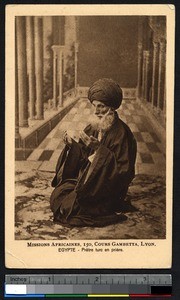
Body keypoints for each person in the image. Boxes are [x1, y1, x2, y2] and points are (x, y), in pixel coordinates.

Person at [50, 78, 137, 227]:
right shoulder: (93, 127)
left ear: (112, 108)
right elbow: (83, 156)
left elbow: (124, 172)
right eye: (94, 106)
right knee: (59, 194)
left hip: (106, 189)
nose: (96, 111)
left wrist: (100, 150)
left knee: (71, 209)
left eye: (101, 106)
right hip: (89, 181)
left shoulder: (122, 133)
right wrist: (73, 146)